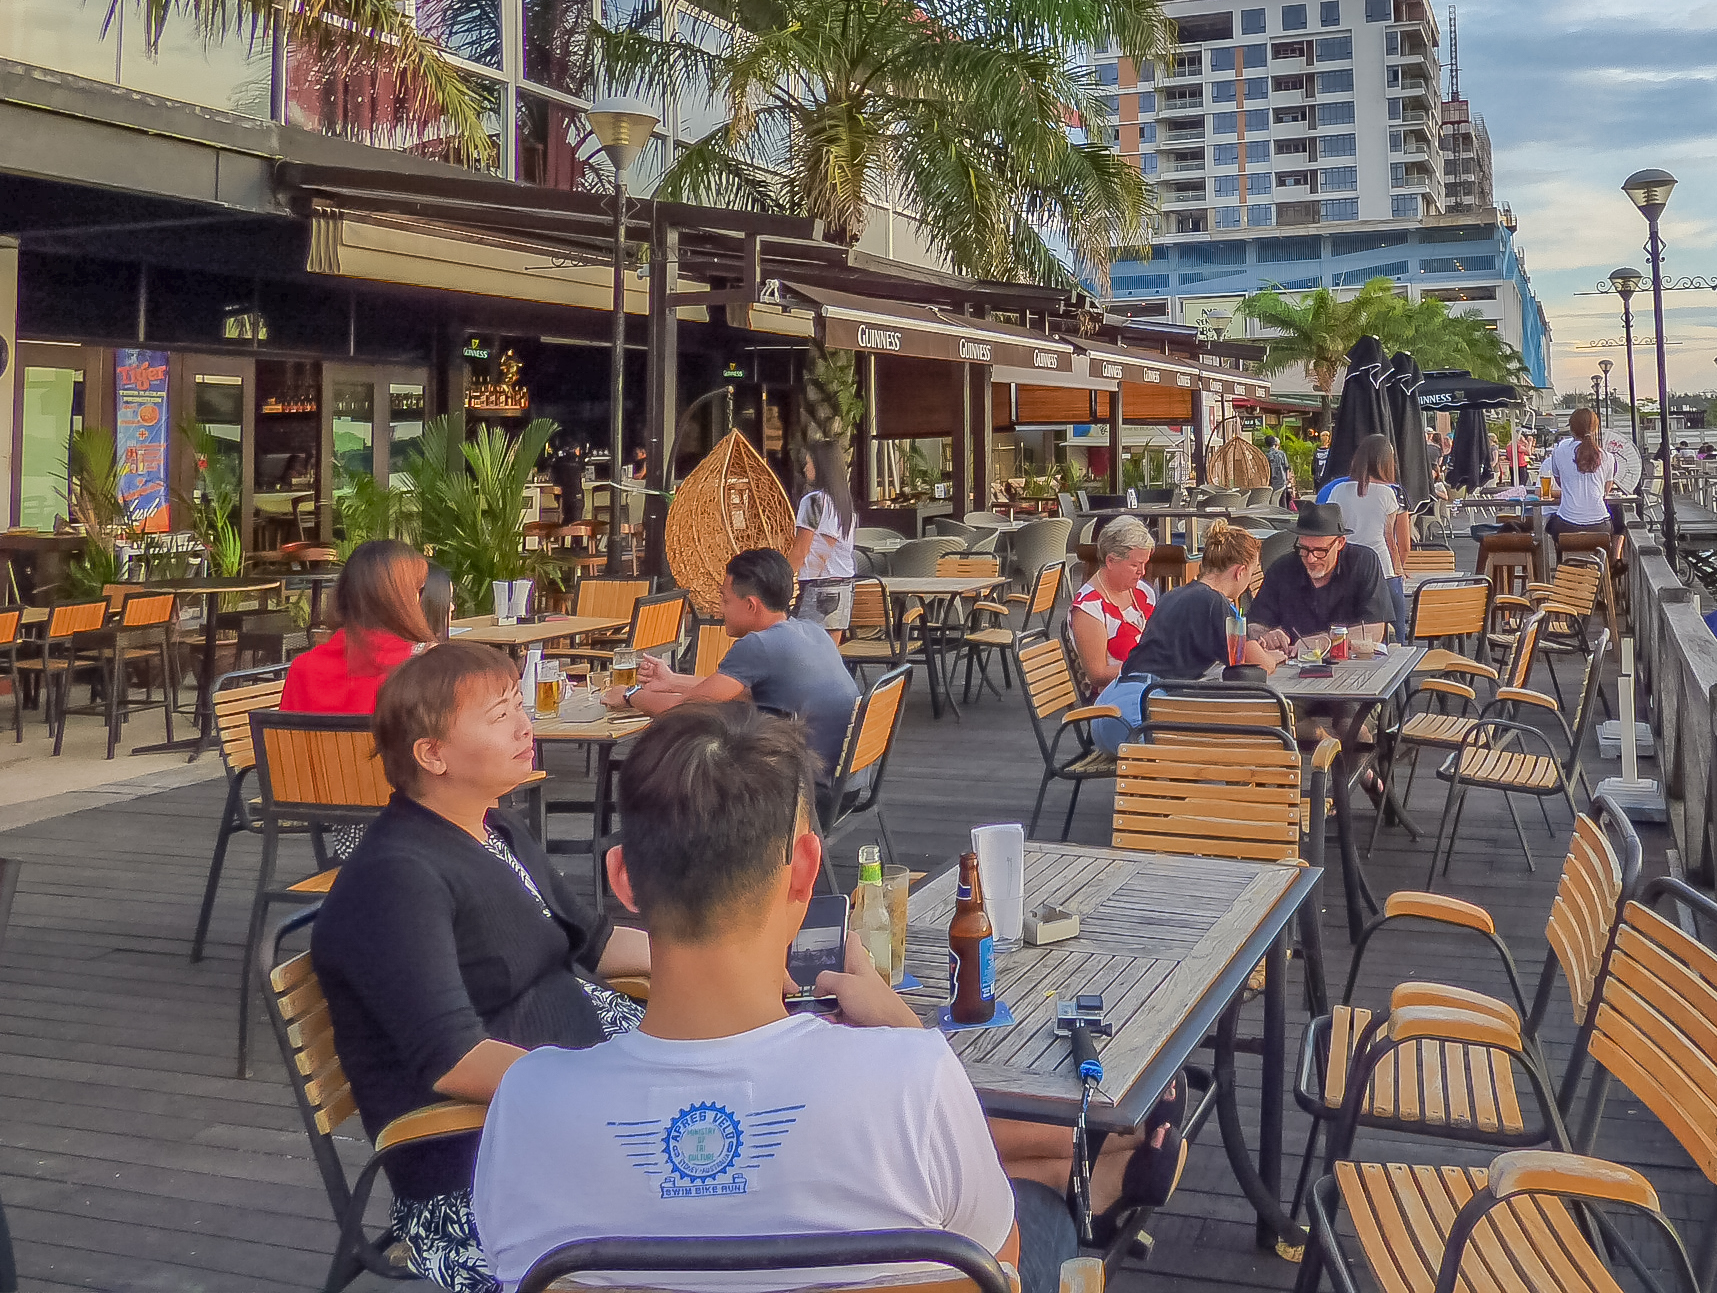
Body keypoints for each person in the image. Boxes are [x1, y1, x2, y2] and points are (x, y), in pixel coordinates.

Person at [473, 701, 1183, 1293]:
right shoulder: (912, 1079)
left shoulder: (525, 1106)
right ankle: (1083, 1180)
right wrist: (906, 1032)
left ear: (623, 878)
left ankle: (1088, 1172)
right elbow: (999, 1270)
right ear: (805, 869)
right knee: (1023, 1207)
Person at [309, 642, 654, 1293]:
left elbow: (599, 943)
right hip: (484, 1170)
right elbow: (455, 1061)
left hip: (571, 1112)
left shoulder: (495, 830)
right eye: (501, 716)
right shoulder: (397, 879)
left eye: (520, 706)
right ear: (432, 754)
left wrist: (729, 963)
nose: (526, 726)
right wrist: (604, 1090)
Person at [619, 548, 861, 779]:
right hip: (844, 779)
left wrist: (629, 694)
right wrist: (672, 681)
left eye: (725, 600)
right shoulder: (812, 631)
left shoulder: (759, 645)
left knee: (680, 762)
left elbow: (683, 709)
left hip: (802, 785)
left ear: (750, 605)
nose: (720, 609)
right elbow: (742, 694)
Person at [1093, 521, 1281, 731]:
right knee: (1247, 731)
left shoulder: (1175, 595)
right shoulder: (1215, 602)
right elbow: (1260, 665)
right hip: (1141, 712)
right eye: (1252, 573)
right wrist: (1276, 657)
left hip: (1111, 705)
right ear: (1240, 571)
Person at [281, 539, 433, 714]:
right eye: (418, 589)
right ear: (402, 599)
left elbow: (283, 731)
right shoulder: (425, 673)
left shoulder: (303, 669)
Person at [1245, 503, 1394, 655]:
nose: (1311, 558)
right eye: (1304, 549)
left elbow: (1374, 630)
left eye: (1320, 551)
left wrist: (1326, 641)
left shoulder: (1363, 562)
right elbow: (1253, 624)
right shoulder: (1282, 568)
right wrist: (1266, 635)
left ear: (1340, 543)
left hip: (1352, 660)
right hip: (1293, 662)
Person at [1325, 435, 1410, 632]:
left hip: (1345, 567)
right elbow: (1392, 540)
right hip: (1382, 567)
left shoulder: (1338, 490)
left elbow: (1331, 530)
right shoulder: (1389, 493)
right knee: (1396, 631)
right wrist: (1399, 570)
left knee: (1348, 631)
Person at [1067, 514, 1157, 699]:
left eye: (1145, 564)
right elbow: (1097, 675)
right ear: (1110, 561)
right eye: (1134, 565)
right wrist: (1149, 667)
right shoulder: (1088, 608)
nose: (1142, 572)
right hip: (1114, 698)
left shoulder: (1143, 591)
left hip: (1149, 687)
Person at [789, 438, 858, 637]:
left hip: (816, 585)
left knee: (799, 645)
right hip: (843, 585)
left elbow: (801, 550)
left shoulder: (813, 502)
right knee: (829, 651)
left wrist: (781, 580)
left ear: (820, 466)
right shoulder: (843, 504)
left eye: (809, 462)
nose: (805, 468)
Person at [1542, 408, 1626, 555]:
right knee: (1618, 520)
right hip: (1600, 526)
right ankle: (1611, 560)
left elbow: (1560, 482)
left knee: (1550, 526)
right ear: (1595, 429)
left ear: (1572, 430)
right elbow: (1605, 491)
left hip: (1566, 525)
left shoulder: (1559, 452)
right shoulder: (1608, 457)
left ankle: (1563, 564)